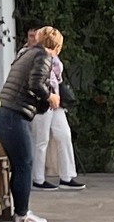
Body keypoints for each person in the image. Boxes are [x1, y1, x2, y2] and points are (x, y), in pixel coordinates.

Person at [0, 28, 60, 222]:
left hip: (2, 111)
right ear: (56, 47)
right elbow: (36, 84)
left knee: (20, 164)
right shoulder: (44, 56)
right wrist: (51, 97)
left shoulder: (28, 53)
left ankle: (20, 212)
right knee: (25, 164)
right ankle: (22, 215)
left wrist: (43, 104)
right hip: (13, 115)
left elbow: (27, 89)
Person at [31, 28, 85, 190]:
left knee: (64, 134)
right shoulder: (38, 56)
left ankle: (67, 176)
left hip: (56, 100)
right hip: (43, 100)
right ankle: (38, 179)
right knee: (41, 140)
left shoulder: (52, 57)